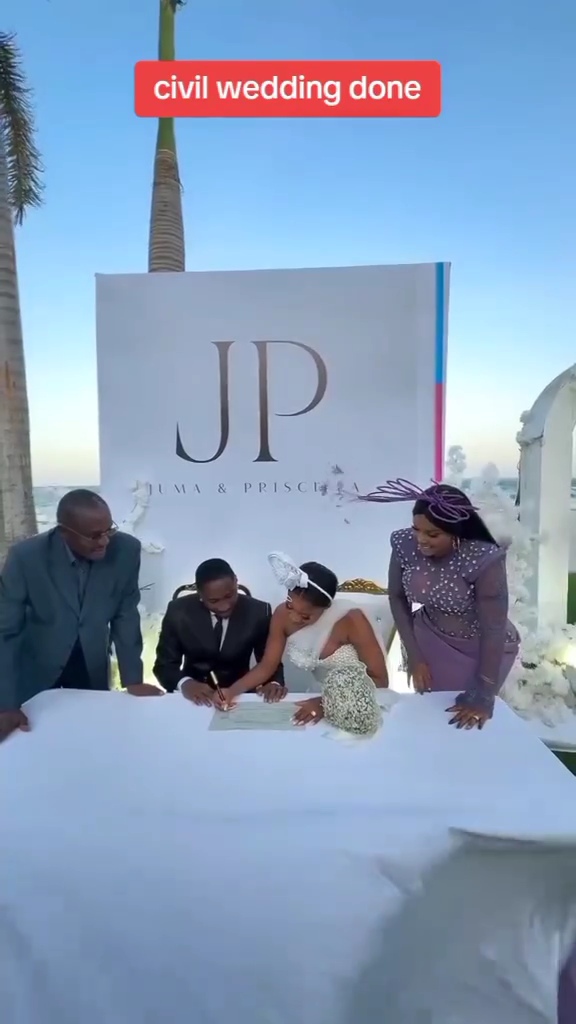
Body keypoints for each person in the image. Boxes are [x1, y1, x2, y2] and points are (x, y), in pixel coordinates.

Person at [363, 478, 519, 729]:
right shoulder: (404, 544)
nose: (420, 539)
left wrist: (484, 693)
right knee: (430, 718)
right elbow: (397, 597)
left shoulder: (483, 557)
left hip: (481, 651)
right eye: (416, 529)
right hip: (429, 641)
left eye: (432, 534)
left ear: (456, 531)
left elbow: (494, 628)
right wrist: (414, 656)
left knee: (466, 726)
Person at [0, 489, 148, 741]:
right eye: (94, 535)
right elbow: (6, 632)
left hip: (91, 668)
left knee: (92, 739)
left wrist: (133, 679)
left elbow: (126, 614)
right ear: (64, 532)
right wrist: (6, 703)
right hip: (35, 673)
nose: (105, 541)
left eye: (109, 530)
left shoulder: (127, 550)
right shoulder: (25, 558)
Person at [214, 554, 389, 730]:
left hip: (359, 701)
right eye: (290, 605)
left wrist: (326, 703)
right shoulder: (282, 614)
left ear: (325, 608)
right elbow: (267, 665)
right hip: (317, 695)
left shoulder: (352, 620)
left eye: (305, 616)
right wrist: (232, 691)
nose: (294, 618)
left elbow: (380, 681)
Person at [153, 558, 287, 704]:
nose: (224, 606)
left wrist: (273, 683)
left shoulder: (259, 612)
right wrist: (185, 684)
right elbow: (164, 666)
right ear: (200, 594)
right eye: (213, 601)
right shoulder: (178, 611)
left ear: (236, 581)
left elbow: (269, 660)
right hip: (194, 698)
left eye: (229, 596)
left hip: (240, 695)